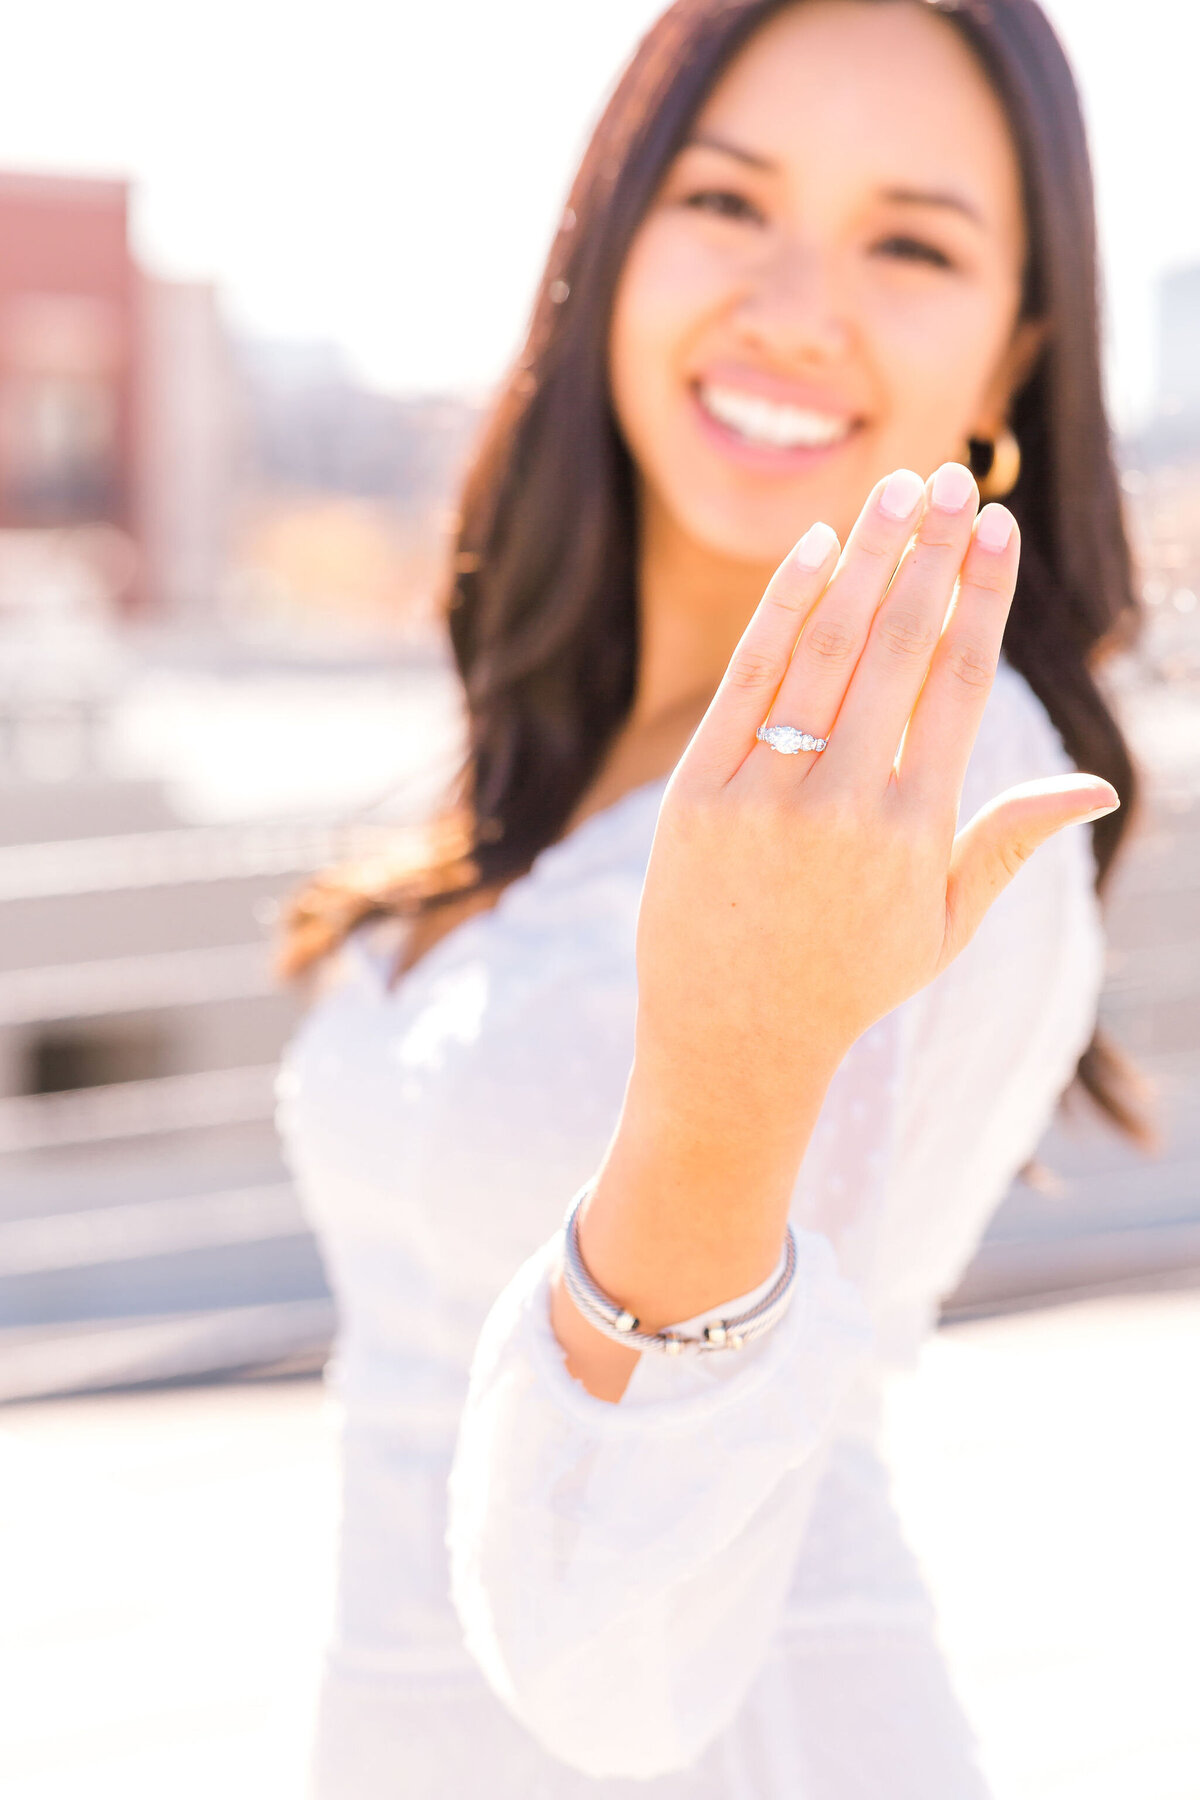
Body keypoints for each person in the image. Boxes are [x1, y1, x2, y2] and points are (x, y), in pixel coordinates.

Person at [276, 1, 1143, 1793]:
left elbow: (626, 1677)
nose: (796, 300)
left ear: (1014, 352)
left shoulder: (943, 777)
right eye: (728, 201)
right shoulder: (573, 723)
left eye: (912, 241)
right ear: (615, 237)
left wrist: (727, 1081)